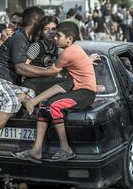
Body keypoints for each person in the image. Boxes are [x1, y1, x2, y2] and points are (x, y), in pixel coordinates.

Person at [0, 6, 62, 171]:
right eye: (43, 25)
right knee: (11, 102)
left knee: (29, 94)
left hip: (3, 83)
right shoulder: (19, 37)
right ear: (35, 22)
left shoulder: (27, 40)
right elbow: (20, 68)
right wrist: (48, 72)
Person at [13, 21, 96, 163]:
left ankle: (66, 149)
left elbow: (52, 72)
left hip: (85, 93)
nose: (55, 37)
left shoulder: (69, 52)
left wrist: (28, 73)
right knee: (45, 106)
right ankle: (36, 151)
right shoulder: (73, 49)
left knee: (53, 106)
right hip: (77, 90)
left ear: (69, 39)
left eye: (59, 35)